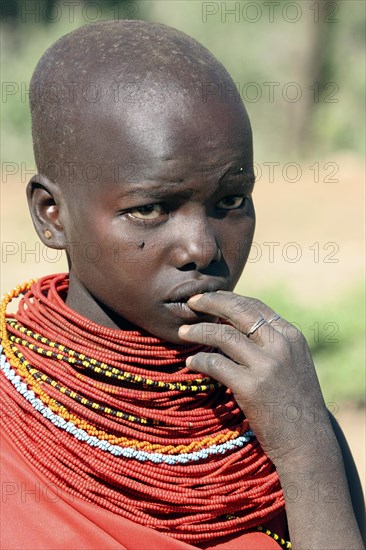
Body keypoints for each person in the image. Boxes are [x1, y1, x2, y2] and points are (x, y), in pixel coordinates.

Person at [0, 20, 364, 550]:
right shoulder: (13, 423)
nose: (202, 248)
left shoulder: (284, 411)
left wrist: (306, 446)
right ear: (51, 214)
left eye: (231, 202)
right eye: (150, 209)